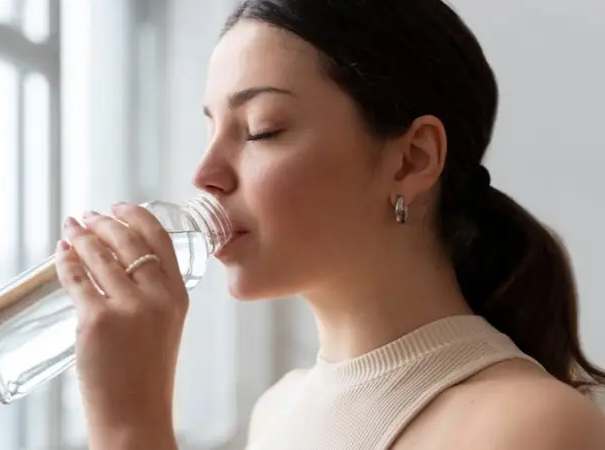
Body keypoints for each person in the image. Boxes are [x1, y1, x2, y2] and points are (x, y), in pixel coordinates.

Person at [53, 0, 605, 448]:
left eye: (262, 129)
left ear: (412, 160)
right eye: (210, 130)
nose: (204, 175)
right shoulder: (276, 410)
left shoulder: (533, 426)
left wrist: (129, 423)